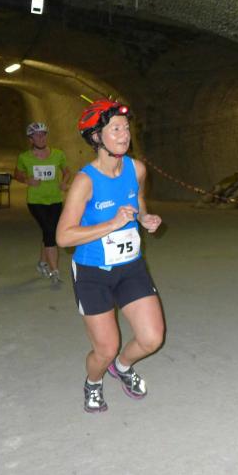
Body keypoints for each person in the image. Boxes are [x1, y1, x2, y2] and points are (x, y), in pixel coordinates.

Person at [56, 99, 164, 413]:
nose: (124, 134)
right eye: (115, 129)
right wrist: (111, 224)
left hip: (130, 267)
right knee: (105, 349)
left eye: (126, 128)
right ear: (96, 137)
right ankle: (93, 382)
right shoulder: (85, 181)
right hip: (93, 273)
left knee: (152, 338)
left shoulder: (137, 169)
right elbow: (64, 236)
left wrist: (145, 218)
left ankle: (123, 366)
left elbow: (138, 199)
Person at [14, 122, 72, 282]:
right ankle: (55, 271)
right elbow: (17, 174)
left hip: (55, 199)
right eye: (37, 135)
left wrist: (64, 182)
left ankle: (42, 263)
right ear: (31, 139)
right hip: (36, 201)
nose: (41, 137)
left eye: (43, 134)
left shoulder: (58, 154)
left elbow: (67, 171)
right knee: (49, 231)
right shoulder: (24, 157)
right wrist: (27, 180)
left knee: (49, 232)